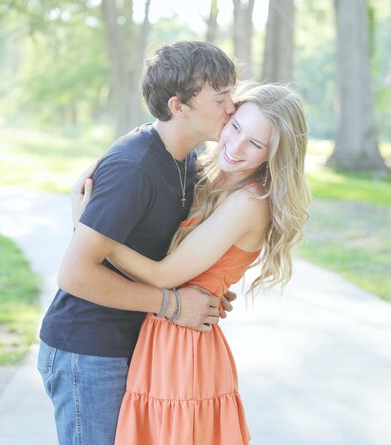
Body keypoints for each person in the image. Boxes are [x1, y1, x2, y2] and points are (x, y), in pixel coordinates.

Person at [72, 83, 311, 444]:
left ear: (274, 155)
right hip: (164, 332)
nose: (236, 146)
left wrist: (88, 228)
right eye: (236, 128)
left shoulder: (249, 201)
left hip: (184, 347)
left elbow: (162, 273)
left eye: (256, 144)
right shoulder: (205, 177)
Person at [37, 41, 238, 445]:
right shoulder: (134, 167)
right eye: (220, 98)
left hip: (135, 342)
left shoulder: (186, 161)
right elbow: (74, 275)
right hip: (89, 350)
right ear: (178, 106)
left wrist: (197, 290)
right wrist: (172, 304)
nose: (232, 107)